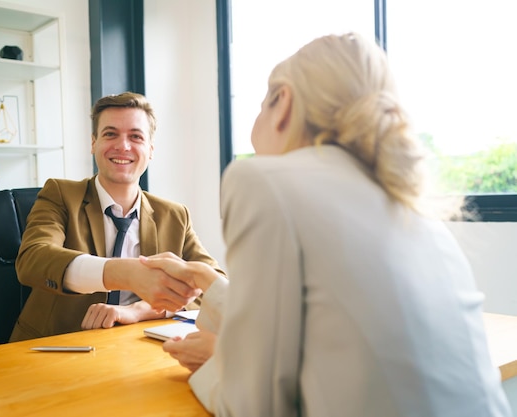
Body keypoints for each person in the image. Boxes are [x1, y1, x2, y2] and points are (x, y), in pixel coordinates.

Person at [140, 33, 512, 416]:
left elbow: (254, 406)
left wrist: (221, 361)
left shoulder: (263, 181)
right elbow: (328, 318)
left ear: (283, 102)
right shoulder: (412, 210)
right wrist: (208, 281)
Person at [9, 92, 225, 342]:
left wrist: (140, 310)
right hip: (53, 346)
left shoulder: (174, 215)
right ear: (93, 143)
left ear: (150, 149)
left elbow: (216, 286)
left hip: (135, 348)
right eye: (110, 134)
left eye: (136, 136)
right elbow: (33, 259)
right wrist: (127, 273)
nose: (123, 146)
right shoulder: (60, 194)